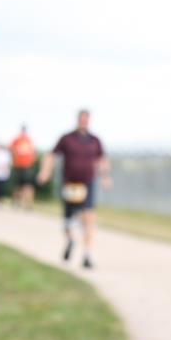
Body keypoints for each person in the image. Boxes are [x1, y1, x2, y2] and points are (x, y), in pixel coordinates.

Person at [36, 109, 110, 269]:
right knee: (67, 221)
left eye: (86, 119)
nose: (83, 122)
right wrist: (45, 171)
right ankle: (70, 240)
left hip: (87, 183)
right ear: (77, 120)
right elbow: (51, 155)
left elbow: (102, 159)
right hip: (69, 184)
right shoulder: (66, 138)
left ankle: (87, 254)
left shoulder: (95, 140)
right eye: (81, 119)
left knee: (88, 216)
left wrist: (105, 176)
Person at [9, 125, 37, 210]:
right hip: (18, 165)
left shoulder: (28, 140)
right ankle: (17, 202)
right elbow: (11, 149)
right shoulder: (17, 139)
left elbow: (32, 152)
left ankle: (28, 204)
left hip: (26, 166)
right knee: (18, 185)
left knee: (27, 186)